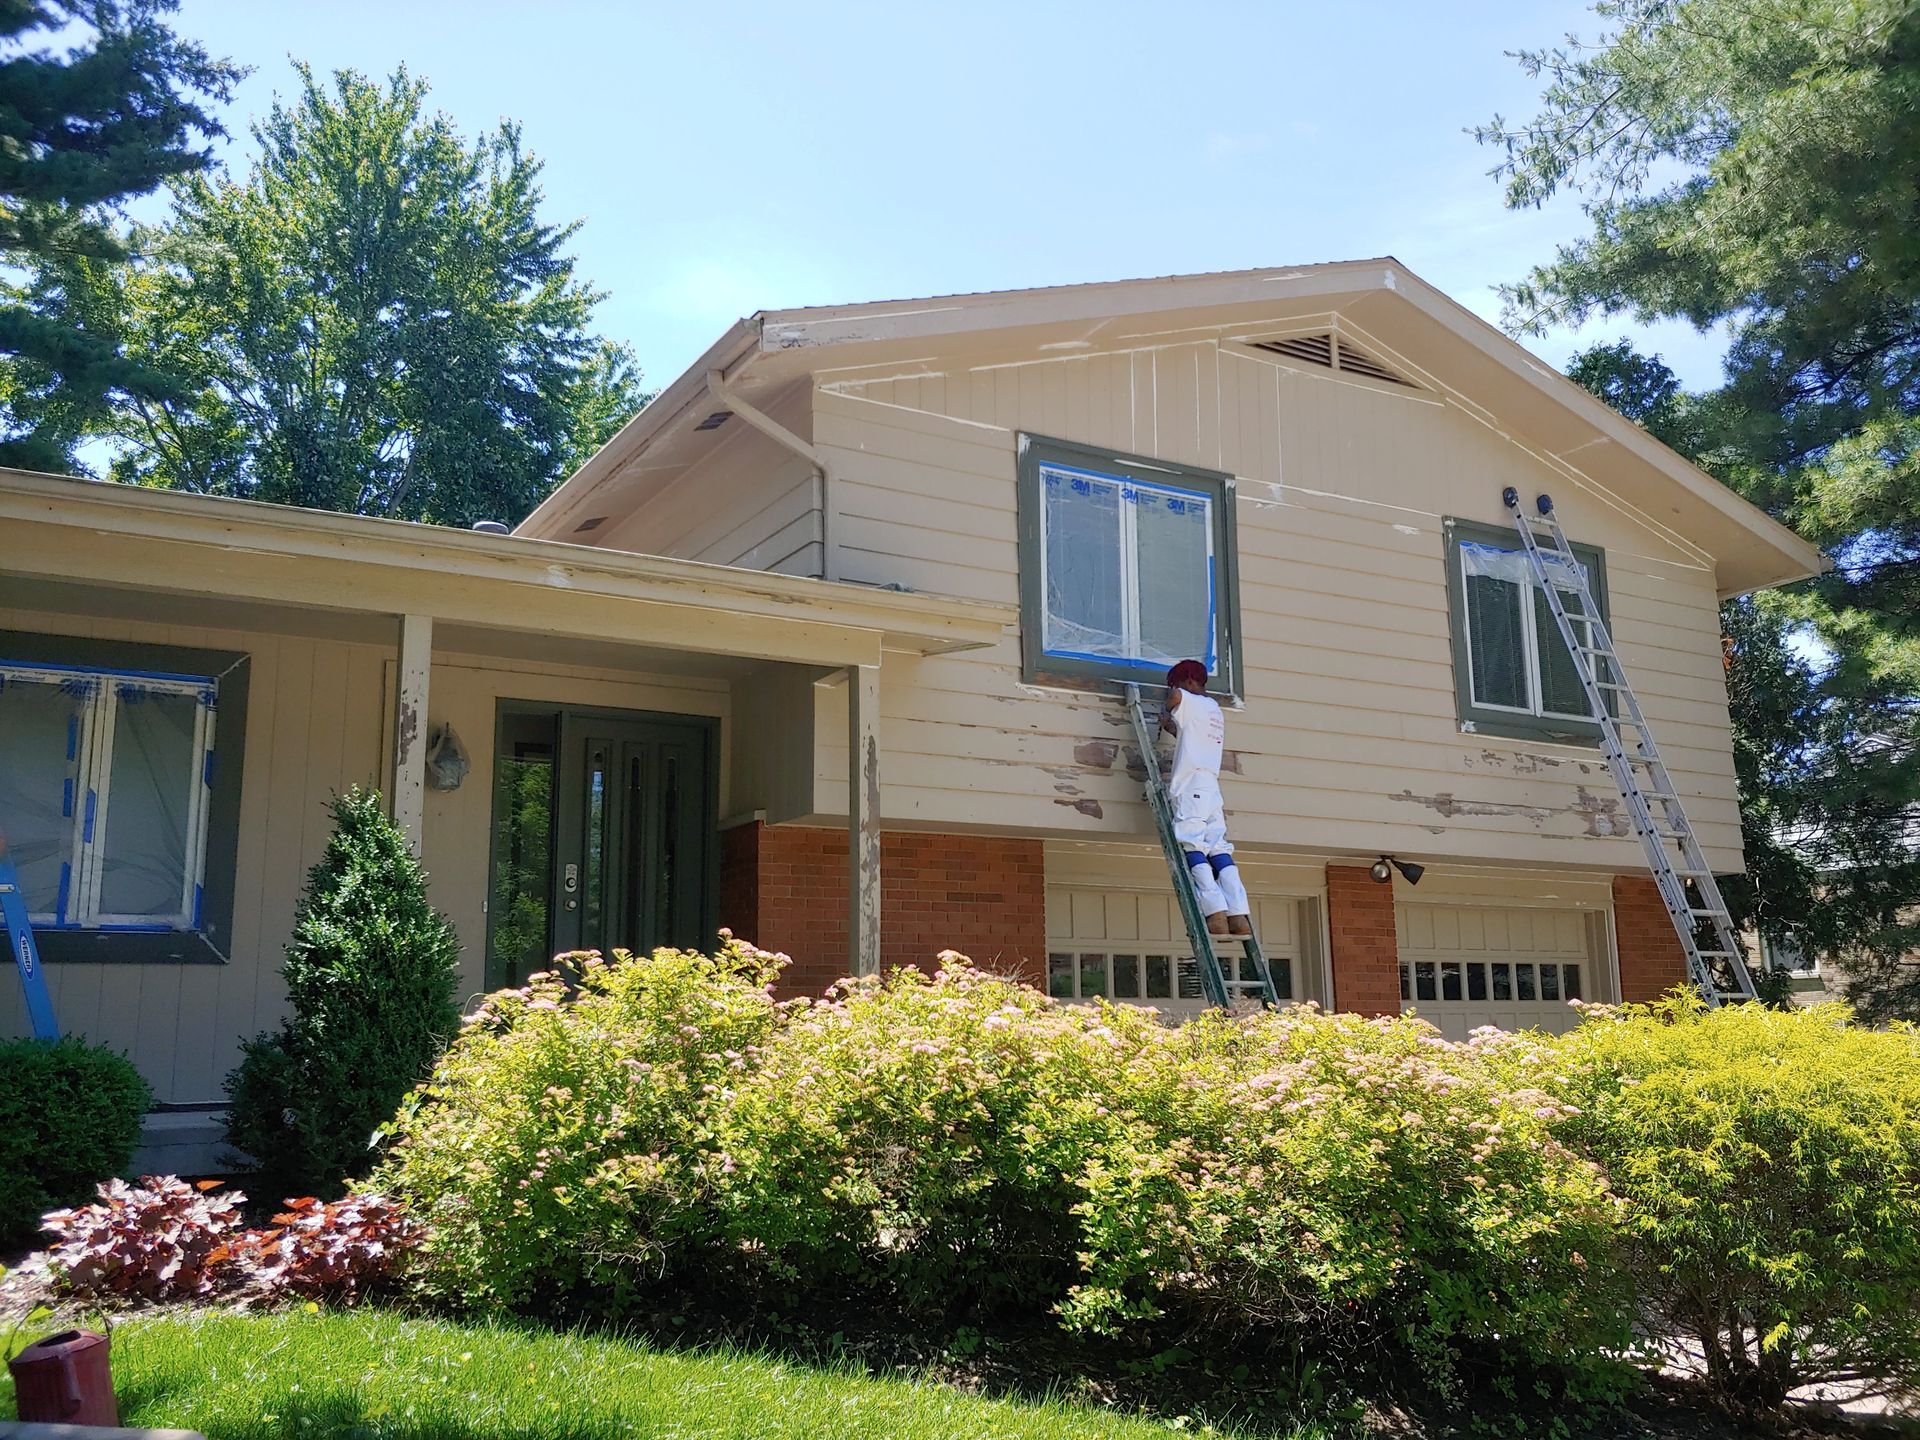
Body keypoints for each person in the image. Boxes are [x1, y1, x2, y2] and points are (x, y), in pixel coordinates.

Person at [1160, 659, 1251, 937]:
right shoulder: (1213, 710)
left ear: (1188, 681)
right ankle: (1238, 916)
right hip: (1211, 786)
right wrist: (1172, 728)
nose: (1174, 690)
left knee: (1192, 846)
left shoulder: (1188, 698)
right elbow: (1192, 736)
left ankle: (1215, 913)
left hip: (1191, 784)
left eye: (1177, 683)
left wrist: (1166, 708)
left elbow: (1176, 698)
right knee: (1218, 848)